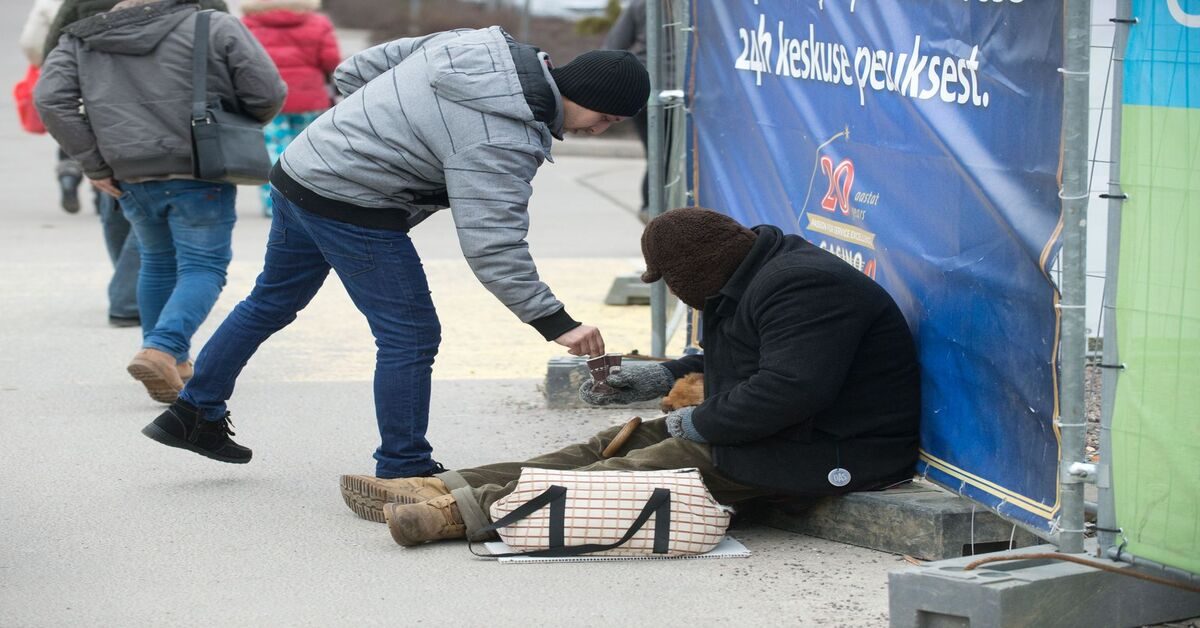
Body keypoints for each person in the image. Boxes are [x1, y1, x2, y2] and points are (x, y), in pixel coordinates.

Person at [138, 28, 651, 480]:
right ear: (576, 91)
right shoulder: (502, 138)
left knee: (270, 302)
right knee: (410, 333)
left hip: (303, 166)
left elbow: (352, 71)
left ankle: (193, 413)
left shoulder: (477, 44)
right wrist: (555, 322)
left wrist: (372, 129)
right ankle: (403, 467)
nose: (599, 129)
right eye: (602, 117)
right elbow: (492, 243)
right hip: (351, 200)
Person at [337, 207, 922, 547]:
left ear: (694, 272)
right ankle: (440, 485)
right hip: (774, 429)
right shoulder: (750, 275)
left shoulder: (804, 288)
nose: (669, 290)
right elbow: (737, 368)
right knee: (603, 444)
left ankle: (458, 513)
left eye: (667, 280)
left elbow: (790, 390)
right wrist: (655, 379)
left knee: (631, 469)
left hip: (830, 448)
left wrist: (693, 422)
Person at [35, 0, 286, 401]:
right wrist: (240, 121)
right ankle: (163, 348)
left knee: (157, 262)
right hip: (200, 164)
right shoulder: (213, 25)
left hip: (128, 171)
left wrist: (95, 164)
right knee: (203, 266)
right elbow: (267, 91)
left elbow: (50, 100)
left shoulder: (79, 38)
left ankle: (175, 363)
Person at [240, 0, 341, 218]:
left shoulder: (249, 23)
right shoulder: (318, 22)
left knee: (273, 150)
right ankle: (308, 202)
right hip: (310, 98)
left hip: (269, 98)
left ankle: (274, 204)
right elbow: (331, 60)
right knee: (309, 151)